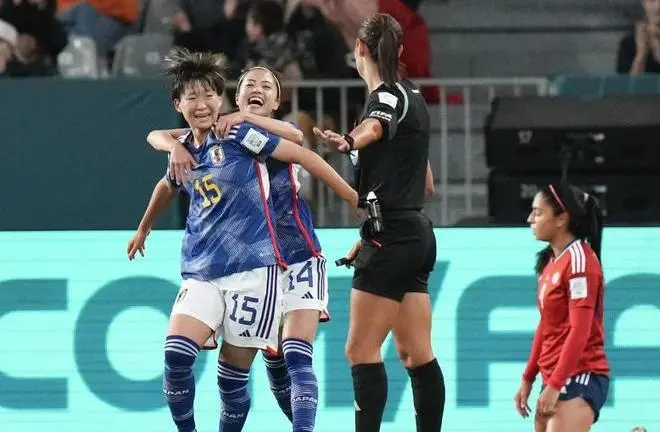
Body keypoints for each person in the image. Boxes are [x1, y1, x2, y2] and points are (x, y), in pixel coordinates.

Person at [126, 48, 357, 432]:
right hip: (205, 267)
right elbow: (161, 160)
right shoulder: (189, 144)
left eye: (267, 85)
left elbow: (300, 143)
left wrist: (353, 199)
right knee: (177, 355)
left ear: (222, 100)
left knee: (287, 360)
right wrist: (144, 226)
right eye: (249, 83)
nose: (201, 104)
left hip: (281, 259)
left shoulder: (244, 132)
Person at [312, 13, 442, 432]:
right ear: (401, 51)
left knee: (359, 350)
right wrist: (370, 229)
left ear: (360, 50)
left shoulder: (384, 96)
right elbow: (428, 182)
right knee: (415, 353)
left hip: (393, 238)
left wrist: (351, 140)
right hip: (415, 233)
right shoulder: (415, 96)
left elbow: (374, 125)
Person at [513, 184, 611, 432]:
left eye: (537, 212)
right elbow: (545, 326)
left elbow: (580, 329)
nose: (529, 219)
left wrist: (555, 384)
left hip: (581, 375)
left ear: (561, 219)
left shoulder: (580, 261)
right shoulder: (550, 262)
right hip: (554, 376)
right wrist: (528, 378)